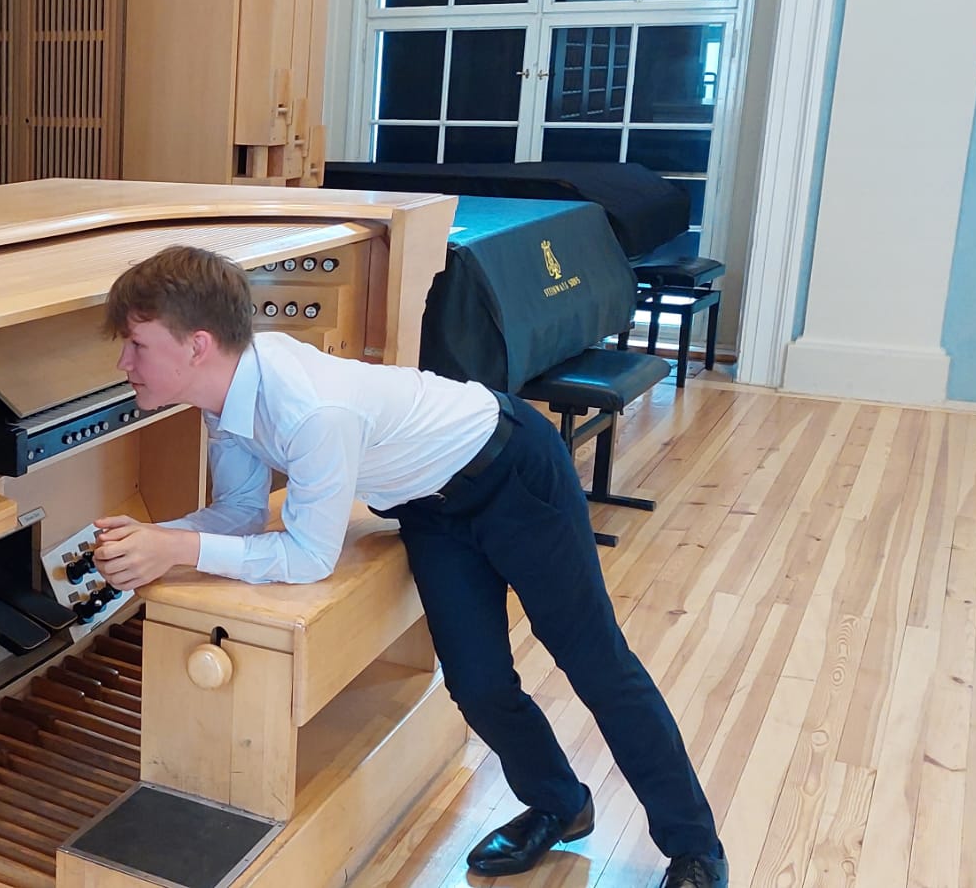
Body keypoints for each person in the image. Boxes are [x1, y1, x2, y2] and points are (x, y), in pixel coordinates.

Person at [89, 245, 727, 888]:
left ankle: (695, 848)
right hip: (432, 508)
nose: (124, 363)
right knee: (477, 684)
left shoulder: (311, 408)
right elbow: (240, 513)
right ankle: (560, 803)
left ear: (197, 345)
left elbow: (309, 557)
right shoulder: (225, 395)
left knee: (595, 664)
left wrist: (176, 549)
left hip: (512, 470)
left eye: (137, 345)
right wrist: (154, 538)